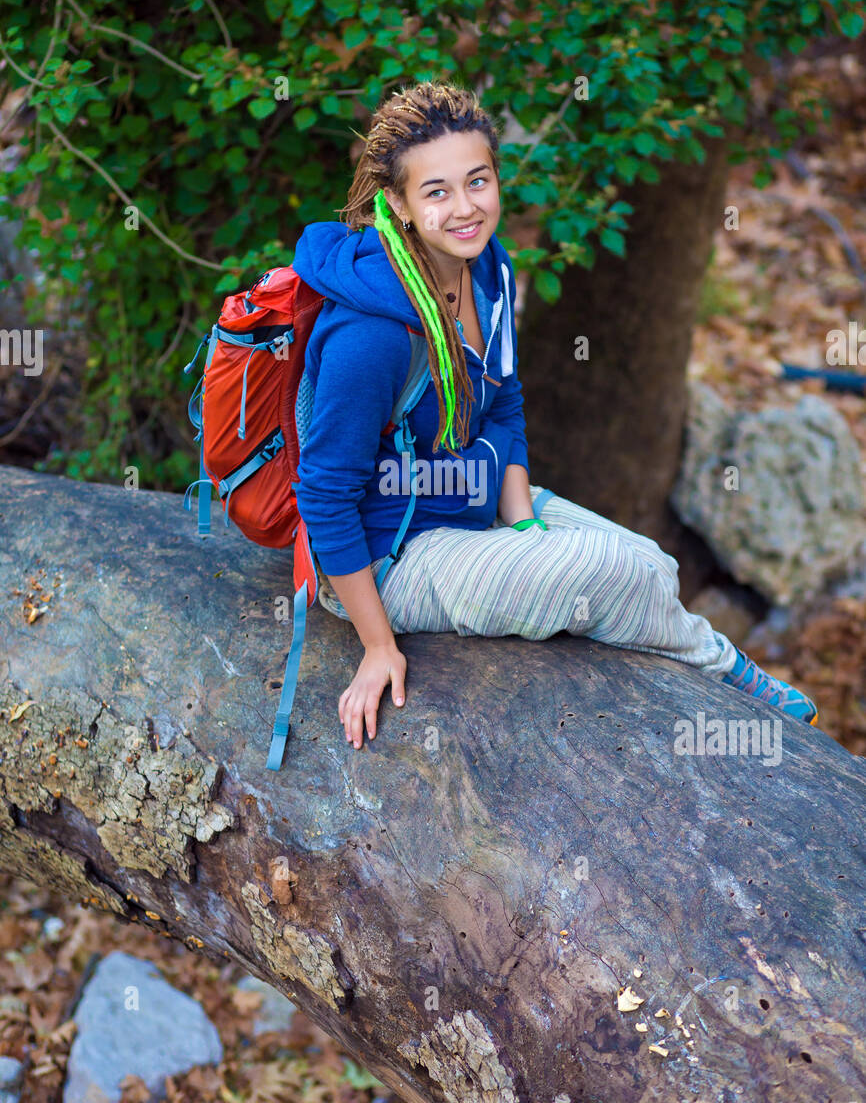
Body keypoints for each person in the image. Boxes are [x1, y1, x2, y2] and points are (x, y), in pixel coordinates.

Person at [292, 80, 819, 749]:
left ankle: (716, 674)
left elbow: (504, 404)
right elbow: (326, 493)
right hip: (394, 555)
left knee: (651, 562)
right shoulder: (367, 338)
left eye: (477, 181)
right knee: (619, 573)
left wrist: (526, 526)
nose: (464, 208)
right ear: (396, 202)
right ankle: (732, 675)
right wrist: (377, 645)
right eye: (437, 192)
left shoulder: (489, 271)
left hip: (468, 501)